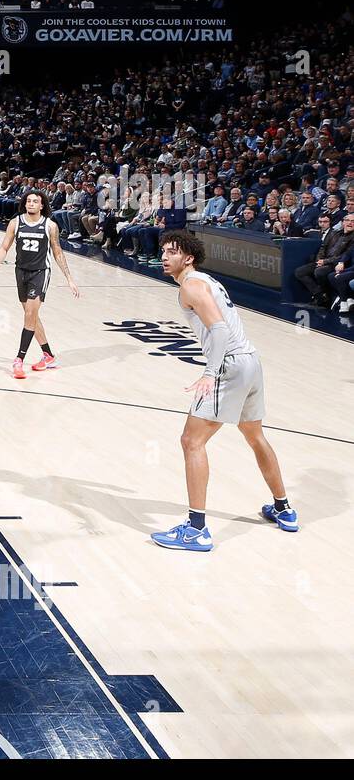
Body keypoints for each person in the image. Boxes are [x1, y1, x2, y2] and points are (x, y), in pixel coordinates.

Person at [149, 231, 297, 552]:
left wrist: (210, 372)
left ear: (188, 258)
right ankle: (284, 508)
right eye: (163, 251)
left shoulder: (191, 285)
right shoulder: (207, 280)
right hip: (251, 362)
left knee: (191, 441)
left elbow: (218, 328)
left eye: (172, 252)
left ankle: (197, 529)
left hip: (229, 366)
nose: (164, 257)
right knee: (255, 436)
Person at [0, 190, 80, 378]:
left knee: (30, 314)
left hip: (41, 272)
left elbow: (57, 252)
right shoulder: (16, 223)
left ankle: (19, 360)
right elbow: (5, 245)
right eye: (28, 201)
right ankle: (48, 355)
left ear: (42, 205)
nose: (31, 204)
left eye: (35, 201)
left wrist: (69, 278)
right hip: (20, 271)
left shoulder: (50, 226)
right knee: (31, 316)